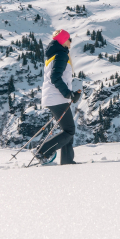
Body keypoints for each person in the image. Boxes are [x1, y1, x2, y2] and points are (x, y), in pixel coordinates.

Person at [35, 28, 82, 165]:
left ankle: (67, 161)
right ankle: (42, 152)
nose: (70, 42)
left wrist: (71, 95)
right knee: (69, 131)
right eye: (69, 39)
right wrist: (68, 94)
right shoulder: (61, 55)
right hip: (57, 97)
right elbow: (55, 78)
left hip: (54, 97)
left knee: (67, 130)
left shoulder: (55, 55)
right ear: (63, 40)